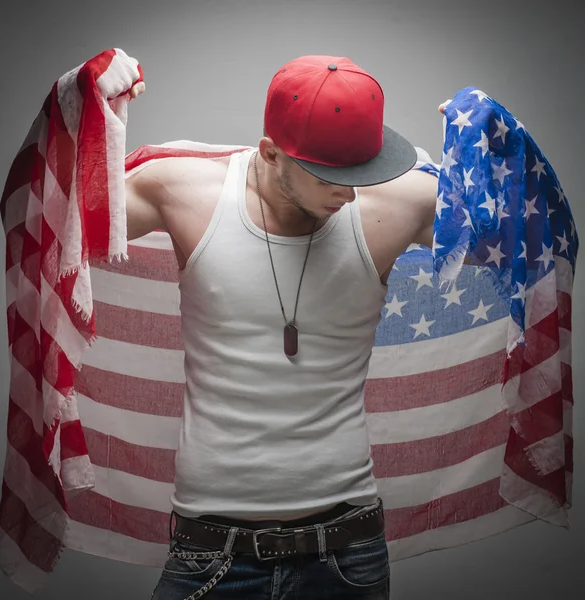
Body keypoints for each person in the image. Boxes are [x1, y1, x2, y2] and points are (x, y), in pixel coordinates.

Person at [126, 55, 442, 600]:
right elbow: (50, 222)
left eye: (362, 173)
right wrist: (76, 114)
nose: (349, 192)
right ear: (271, 154)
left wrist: (498, 148)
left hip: (348, 552)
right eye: (330, 176)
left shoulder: (402, 202)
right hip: (212, 552)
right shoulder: (186, 193)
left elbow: (529, 247)